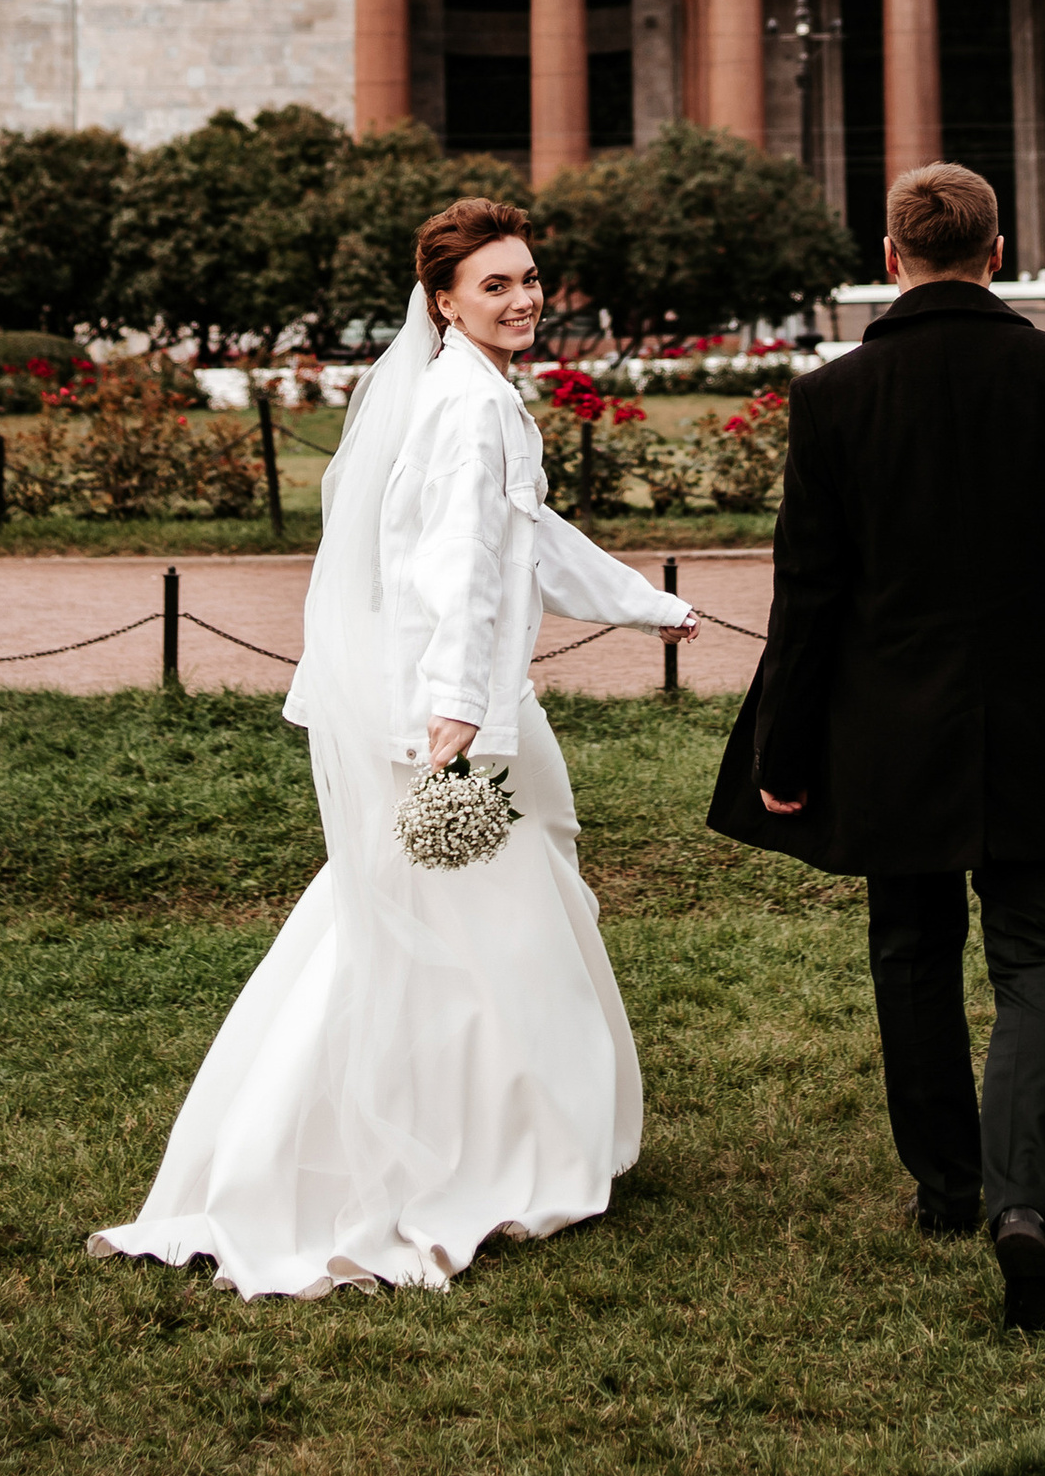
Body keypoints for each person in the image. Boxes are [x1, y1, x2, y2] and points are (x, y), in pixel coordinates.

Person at [89, 198, 697, 1299]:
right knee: (461, 924)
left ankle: (498, 1135)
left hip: (446, 694)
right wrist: (458, 711)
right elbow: (456, 566)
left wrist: (642, 606)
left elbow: (526, 538)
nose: (523, 300)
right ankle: (456, 1156)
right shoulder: (467, 407)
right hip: (445, 706)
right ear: (442, 303)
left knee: (457, 908)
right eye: (496, 286)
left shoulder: (473, 394)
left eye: (529, 280)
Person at [708, 160, 1045, 1334]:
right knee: (1040, 955)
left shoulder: (832, 398)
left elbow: (806, 596)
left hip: (885, 725)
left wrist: (781, 751)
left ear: (892, 258)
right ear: (996, 252)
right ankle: (1026, 1209)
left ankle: (948, 1188)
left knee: (909, 946)